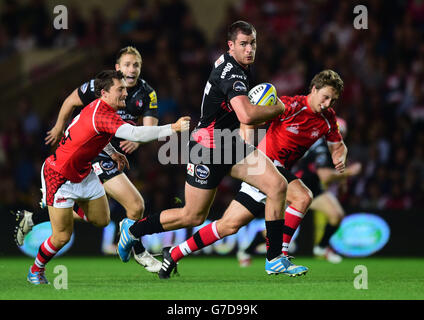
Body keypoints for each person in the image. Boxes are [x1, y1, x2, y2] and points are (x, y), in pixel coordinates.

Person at [117, 20, 306, 279]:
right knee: (192, 216)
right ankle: (133, 230)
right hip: (206, 149)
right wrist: (279, 108)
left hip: (230, 145)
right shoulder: (231, 72)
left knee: (277, 185)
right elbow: (246, 113)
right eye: (243, 44)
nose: (250, 49)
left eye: (252, 43)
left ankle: (274, 258)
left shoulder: (241, 66)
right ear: (231, 46)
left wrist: (248, 136)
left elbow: (242, 117)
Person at [163, 69, 346, 277]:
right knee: (303, 197)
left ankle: (174, 253)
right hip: (264, 167)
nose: (328, 103)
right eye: (326, 97)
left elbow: (338, 145)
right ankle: (278, 256)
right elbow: (248, 117)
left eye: (333, 100)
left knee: (228, 226)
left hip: (272, 175)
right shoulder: (290, 106)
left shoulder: (328, 118)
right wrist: (246, 142)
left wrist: (339, 155)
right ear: (314, 89)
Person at [27, 70, 190, 284]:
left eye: (125, 89)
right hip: (59, 177)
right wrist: (173, 127)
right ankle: (35, 271)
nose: (125, 93)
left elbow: (90, 136)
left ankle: (59, 209)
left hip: (84, 173)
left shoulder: (100, 109)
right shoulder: (102, 114)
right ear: (104, 93)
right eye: (120, 89)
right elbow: (135, 135)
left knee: (102, 220)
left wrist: (113, 152)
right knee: (62, 237)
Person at [13, 46, 162, 272]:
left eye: (136, 65)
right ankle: (138, 251)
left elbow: (149, 129)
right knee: (135, 205)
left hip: (110, 150)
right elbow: (71, 101)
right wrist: (59, 126)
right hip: (94, 154)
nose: (132, 69)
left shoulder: (147, 93)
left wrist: (138, 140)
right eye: (127, 65)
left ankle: (35, 218)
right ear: (117, 68)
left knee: (104, 217)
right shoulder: (101, 86)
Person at [293, 117, 362, 263]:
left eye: (342, 134)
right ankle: (247, 251)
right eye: (338, 132)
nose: (339, 137)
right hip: (296, 188)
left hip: (313, 188)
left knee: (336, 215)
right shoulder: (322, 148)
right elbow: (324, 175)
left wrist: (343, 179)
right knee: (273, 228)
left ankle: (322, 247)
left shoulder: (334, 149)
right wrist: (350, 172)